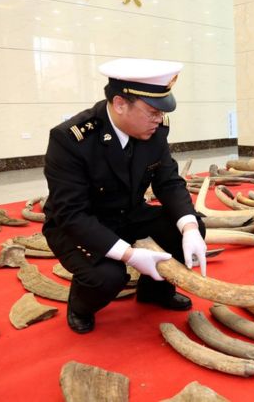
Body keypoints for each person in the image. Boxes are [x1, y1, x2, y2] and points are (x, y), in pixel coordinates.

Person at [42, 58, 207, 334]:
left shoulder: (155, 130)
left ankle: (154, 291)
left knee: (190, 225)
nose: (159, 119)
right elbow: (72, 214)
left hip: (128, 213)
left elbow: (168, 181)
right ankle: (81, 305)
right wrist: (129, 255)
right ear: (120, 104)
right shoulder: (71, 139)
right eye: (152, 111)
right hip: (79, 224)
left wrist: (189, 227)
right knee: (107, 277)